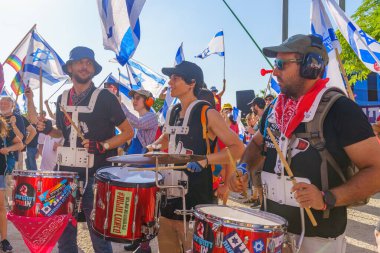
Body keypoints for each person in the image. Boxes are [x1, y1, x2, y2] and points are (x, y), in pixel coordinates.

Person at [229, 34, 380, 252]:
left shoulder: (340, 109)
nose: (275, 71)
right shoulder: (273, 110)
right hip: (270, 232)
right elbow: (255, 144)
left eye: (282, 64)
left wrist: (327, 197)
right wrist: (243, 167)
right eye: (275, 64)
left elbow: (376, 170)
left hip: (318, 239)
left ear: (311, 66)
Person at [27, 46, 133, 253]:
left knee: (99, 236)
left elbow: (128, 132)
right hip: (65, 174)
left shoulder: (105, 97)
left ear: (93, 69)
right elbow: (63, 134)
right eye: (80, 62)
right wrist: (49, 129)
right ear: (70, 67)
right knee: (64, 235)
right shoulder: (61, 99)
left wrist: (103, 145)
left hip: (97, 175)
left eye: (89, 63)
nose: (85, 66)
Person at [150, 61, 244, 253]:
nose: (170, 82)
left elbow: (238, 148)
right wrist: (152, 148)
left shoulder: (207, 112)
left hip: (196, 204)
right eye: (171, 78)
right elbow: (166, 138)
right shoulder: (173, 111)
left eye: (175, 78)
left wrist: (206, 160)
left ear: (192, 83)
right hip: (168, 200)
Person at [121, 89, 158, 253]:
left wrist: (120, 105)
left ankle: (145, 246)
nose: (134, 101)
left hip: (145, 165)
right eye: (133, 99)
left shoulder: (150, 117)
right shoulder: (139, 119)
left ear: (148, 101)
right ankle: (136, 238)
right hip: (136, 163)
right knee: (134, 205)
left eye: (137, 98)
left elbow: (137, 123)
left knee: (143, 206)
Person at [0, 116, 23, 252]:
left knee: (1, 207)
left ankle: (4, 240)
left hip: (0, 173)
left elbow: (20, 144)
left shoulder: (4, 127)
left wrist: (8, 149)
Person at [0, 96, 25, 173]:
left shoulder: (18, 118)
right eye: (1, 103)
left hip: (11, 158)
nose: (3, 106)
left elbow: (21, 138)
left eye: (6, 103)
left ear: (12, 105)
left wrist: (13, 125)